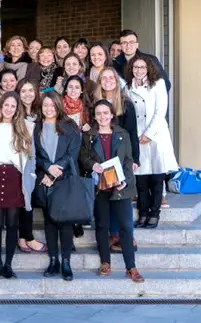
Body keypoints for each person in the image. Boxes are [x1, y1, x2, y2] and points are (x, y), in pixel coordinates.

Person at [78, 100, 145, 283]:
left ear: (112, 115)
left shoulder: (122, 134)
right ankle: (105, 262)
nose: (102, 116)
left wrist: (126, 180)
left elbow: (128, 160)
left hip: (120, 186)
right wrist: (93, 165)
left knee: (125, 226)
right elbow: (83, 157)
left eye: (105, 113)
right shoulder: (89, 135)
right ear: (94, 116)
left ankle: (131, 267)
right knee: (102, 225)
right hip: (100, 186)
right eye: (98, 113)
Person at [0, 92, 36, 278]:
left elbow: (31, 157)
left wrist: (31, 177)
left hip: (15, 176)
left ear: (17, 108)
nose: (9, 109)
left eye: (13, 106)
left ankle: (9, 264)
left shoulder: (25, 127)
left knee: (13, 223)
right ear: (1, 105)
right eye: (6, 105)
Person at [126, 56, 179, 229]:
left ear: (148, 68)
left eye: (142, 67)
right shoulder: (128, 88)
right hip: (137, 136)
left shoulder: (158, 84)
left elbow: (160, 110)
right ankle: (142, 214)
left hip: (156, 136)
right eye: (135, 67)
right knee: (141, 179)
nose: (138, 70)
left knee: (157, 178)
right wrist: (137, 136)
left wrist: (148, 134)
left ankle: (154, 214)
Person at [34, 91, 81, 281]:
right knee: (50, 222)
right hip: (44, 179)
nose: (48, 108)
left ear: (58, 106)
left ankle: (66, 262)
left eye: (52, 105)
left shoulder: (70, 126)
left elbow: (73, 152)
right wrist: (47, 168)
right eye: (45, 105)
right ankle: (53, 260)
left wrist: (57, 168)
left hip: (64, 178)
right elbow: (34, 154)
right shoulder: (36, 127)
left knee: (65, 223)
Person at [94, 66, 140, 251]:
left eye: (111, 78)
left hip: (121, 157)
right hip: (103, 156)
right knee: (107, 193)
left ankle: (126, 235)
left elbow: (132, 133)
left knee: (121, 194)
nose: (107, 81)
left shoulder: (126, 103)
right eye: (103, 78)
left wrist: (135, 159)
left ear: (116, 80)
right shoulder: (95, 103)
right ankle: (113, 235)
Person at [14, 79, 46, 254]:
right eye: (23, 91)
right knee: (25, 201)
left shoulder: (40, 112)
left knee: (30, 201)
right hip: (25, 163)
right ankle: (27, 237)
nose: (27, 94)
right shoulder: (16, 114)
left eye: (30, 90)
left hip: (42, 162)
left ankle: (24, 236)